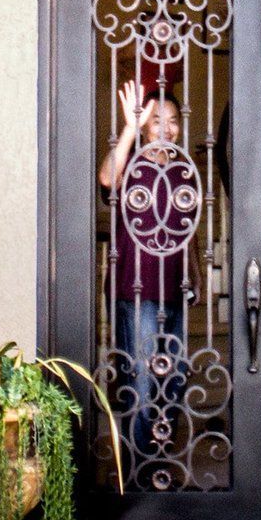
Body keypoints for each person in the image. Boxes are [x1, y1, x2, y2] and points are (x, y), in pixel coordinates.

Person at [99, 80, 202, 462]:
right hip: (135, 288)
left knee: (173, 378)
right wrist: (128, 127)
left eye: (172, 120)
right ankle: (140, 470)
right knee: (140, 380)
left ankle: (159, 458)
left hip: (174, 289)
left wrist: (194, 280)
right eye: (156, 120)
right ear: (144, 125)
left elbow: (188, 233)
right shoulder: (134, 161)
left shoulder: (184, 170)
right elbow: (108, 180)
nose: (166, 128)